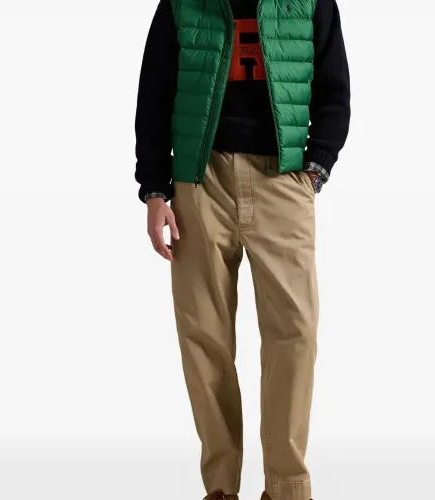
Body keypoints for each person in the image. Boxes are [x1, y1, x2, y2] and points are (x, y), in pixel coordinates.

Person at [134, 0, 350, 498]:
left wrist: (315, 167)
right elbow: (154, 91)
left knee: (295, 334)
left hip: (284, 178)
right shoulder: (181, 2)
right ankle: (220, 489)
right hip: (198, 180)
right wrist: (155, 189)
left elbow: (335, 87)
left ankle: (286, 488)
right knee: (203, 337)